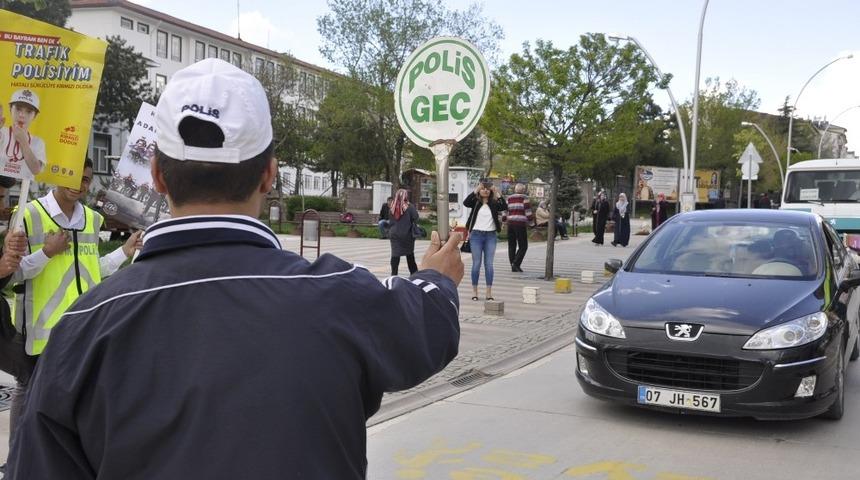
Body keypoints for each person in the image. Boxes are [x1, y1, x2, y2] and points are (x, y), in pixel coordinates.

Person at [6, 58, 464, 480]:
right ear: (269, 174)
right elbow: (425, 321)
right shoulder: (338, 295)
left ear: (159, 175)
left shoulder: (82, 329)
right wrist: (438, 277)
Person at [3, 158, 143, 458]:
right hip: (41, 328)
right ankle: (17, 458)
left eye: (86, 178)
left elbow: (94, 268)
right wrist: (46, 253)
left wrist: (124, 251)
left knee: (79, 394)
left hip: (84, 325)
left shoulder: (92, 219)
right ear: (57, 173)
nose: (80, 184)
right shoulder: (29, 213)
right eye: (74, 175)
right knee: (28, 391)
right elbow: (12, 272)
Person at [463, 179, 506, 301]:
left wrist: (497, 193)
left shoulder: (493, 203)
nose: (485, 190)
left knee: (489, 265)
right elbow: (465, 202)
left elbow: (504, 206)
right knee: (476, 264)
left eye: (487, 188)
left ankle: (488, 293)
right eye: (483, 188)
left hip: (490, 236)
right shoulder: (475, 202)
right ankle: (475, 292)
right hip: (476, 235)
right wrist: (476, 189)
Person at [0, 89, 46, 179]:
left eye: (28, 111)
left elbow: (36, 170)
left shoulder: (38, 142)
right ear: (10, 109)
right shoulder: (2, 132)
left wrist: (24, 142)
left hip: (24, 188)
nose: (22, 115)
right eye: (18, 109)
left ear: (35, 116)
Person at [387, 188, 419, 275]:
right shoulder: (409, 206)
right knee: (410, 255)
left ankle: (394, 274)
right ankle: (414, 274)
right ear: (406, 196)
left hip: (394, 234)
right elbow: (415, 217)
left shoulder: (392, 206)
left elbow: (390, 219)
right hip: (407, 234)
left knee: (395, 254)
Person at [504, 183, 532, 272]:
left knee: (511, 245)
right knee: (523, 246)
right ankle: (515, 264)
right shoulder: (524, 198)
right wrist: (532, 223)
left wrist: (505, 220)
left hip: (510, 224)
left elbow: (505, 211)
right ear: (523, 190)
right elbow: (528, 212)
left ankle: (513, 264)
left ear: (515, 190)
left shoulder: (509, 198)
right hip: (520, 224)